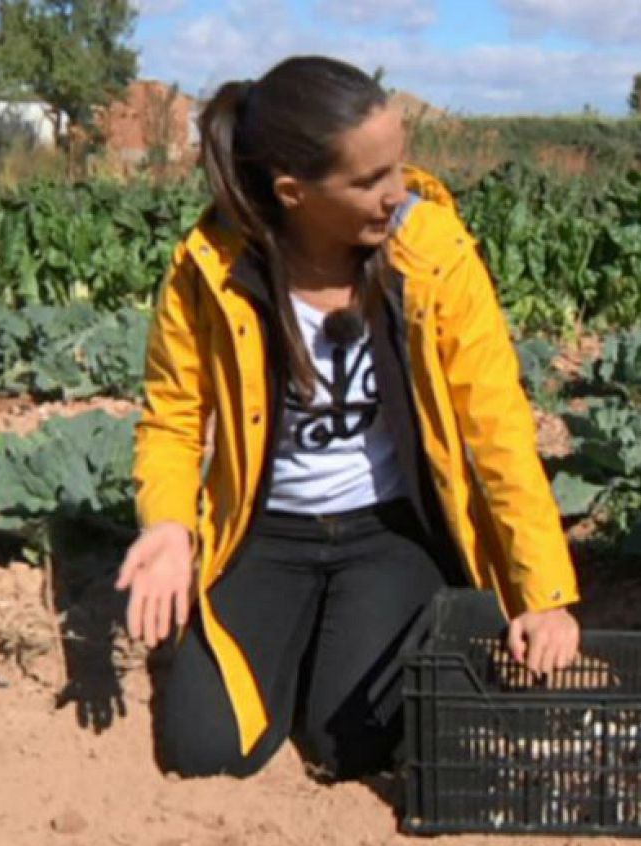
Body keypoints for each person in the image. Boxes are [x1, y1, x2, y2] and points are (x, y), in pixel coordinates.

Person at [114, 56, 580, 780]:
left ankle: (371, 633)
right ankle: (297, 653)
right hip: (265, 532)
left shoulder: (434, 256)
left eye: (398, 165)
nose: (397, 193)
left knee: (349, 747)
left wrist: (544, 595)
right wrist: (169, 525)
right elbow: (172, 417)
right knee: (206, 750)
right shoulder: (211, 268)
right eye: (368, 181)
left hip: (387, 531)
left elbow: (499, 433)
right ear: (294, 193)